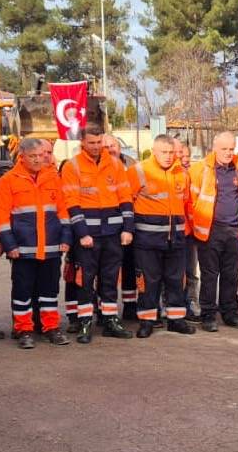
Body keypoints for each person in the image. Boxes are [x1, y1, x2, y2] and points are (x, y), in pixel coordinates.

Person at [0, 137, 71, 348]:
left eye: (41, 155)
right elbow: (1, 216)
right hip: (22, 249)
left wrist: (66, 238)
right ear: (22, 156)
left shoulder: (53, 178)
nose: (38, 160)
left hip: (51, 248)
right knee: (22, 292)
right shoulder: (8, 180)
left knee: (50, 291)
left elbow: (63, 212)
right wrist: (10, 245)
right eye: (33, 156)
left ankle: (51, 328)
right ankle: (23, 329)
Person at [61, 125, 134, 343]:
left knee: (110, 279)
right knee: (85, 280)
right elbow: (71, 202)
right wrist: (82, 233)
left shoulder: (114, 163)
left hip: (112, 233)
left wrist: (128, 228)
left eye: (98, 142)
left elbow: (125, 197)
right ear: (82, 142)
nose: (95, 146)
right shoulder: (72, 166)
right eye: (91, 142)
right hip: (88, 235)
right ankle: (85, 322)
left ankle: (110, 319)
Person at [127, 135, 194, 339]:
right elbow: (127, 202)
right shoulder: (138, 171)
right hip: (147, 240)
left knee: (176, 280)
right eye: (163, 152)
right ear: (154, 151)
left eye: (171, 152)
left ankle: (176, 320)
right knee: (149, 281)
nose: (167, 156)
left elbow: (186, 204)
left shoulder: (182, 173)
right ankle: (147, 320)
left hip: (176, 239)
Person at [189, 131, 238, 332]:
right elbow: (191, 201)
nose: (228, 153)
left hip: (234, 230)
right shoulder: (201, 169)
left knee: (231, 275)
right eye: (224, 149)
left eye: (232, 149)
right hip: (210, 230)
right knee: (209, 275)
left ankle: (230, 313)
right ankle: (208, 315)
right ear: (214, 148)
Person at [103, 133, 137, 320]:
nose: (109, 150)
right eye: (105, 146)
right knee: (107, 271)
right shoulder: (99, 167)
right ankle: (105, 310)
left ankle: (131, 306)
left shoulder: (132, 166)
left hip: (128, 224)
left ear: (119, 147)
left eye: (113, 146)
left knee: (130, 267)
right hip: (106, 227)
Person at [178, 143, 200, 320]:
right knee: (174, 273)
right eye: (181, 155)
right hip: (173, 232)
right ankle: (173, 304)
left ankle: (192, 302)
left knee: (191, 271)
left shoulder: (196, 174)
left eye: (187, 156)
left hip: (190, 232)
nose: (185, 160)